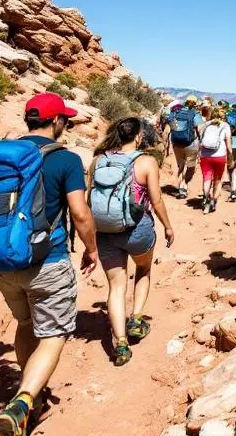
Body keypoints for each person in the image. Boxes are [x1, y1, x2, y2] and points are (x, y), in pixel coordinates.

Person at [0, 93, 98, 436]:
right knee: (54, 333)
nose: (66, 124)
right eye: (66, 119)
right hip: (48, 261)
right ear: (57, 121)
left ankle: (32, 394)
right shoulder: (66, 160)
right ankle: (23, 401)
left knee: (25, 323)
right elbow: (79, 212)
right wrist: (91, 249)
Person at [88, 117, 175, 367]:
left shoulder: (98, 160)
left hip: (105, 232)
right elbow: (156, 201)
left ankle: (121, 343)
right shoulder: (146, 161)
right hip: (138, 229)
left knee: (116, 287)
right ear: (138, 136)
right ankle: (136, 319)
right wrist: (168, 227)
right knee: (144, 269)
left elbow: (87, 198)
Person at [198, 107, 232, 213]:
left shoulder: (205, 125)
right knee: (217, 180)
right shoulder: (225, 126)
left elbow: (200, 141)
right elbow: (228, 144)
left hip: (205, 156)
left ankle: (206, 199)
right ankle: (213, 201)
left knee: (206, 178)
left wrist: (198, 154)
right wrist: (231, 156)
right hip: (220, 156)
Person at [166, 98, 199, 199]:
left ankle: (179, 186)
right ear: (195, 104)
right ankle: (183, 186)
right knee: (190, 166)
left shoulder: (175, 112)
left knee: (181, 165)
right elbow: (199, 128)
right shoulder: (194, 113)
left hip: (176, 142)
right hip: (190, 143)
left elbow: (170, 128)